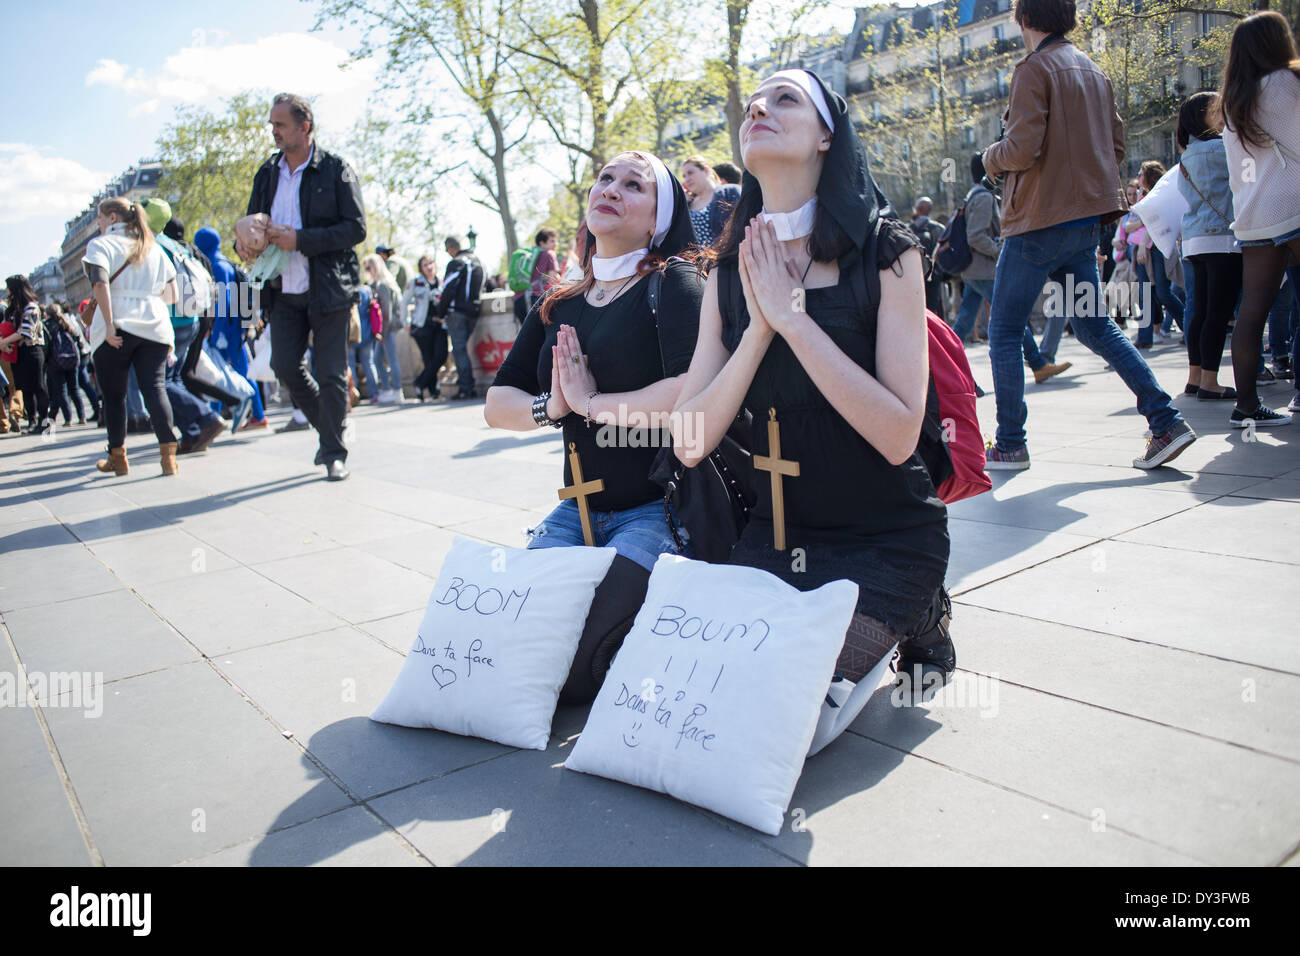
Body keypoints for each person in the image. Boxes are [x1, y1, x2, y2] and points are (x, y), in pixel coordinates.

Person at [672, 68, 954, 718]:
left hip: (885, 535)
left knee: (783, 697)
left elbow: (897, 432)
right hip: (773, 536)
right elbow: (688, 445)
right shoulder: (725, 274)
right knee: (706, 691)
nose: (760, 107)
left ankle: (923, 610)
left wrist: (794, 320)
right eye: (755, 101)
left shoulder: (888, 251)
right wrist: (758, 331)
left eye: (786, 98)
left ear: (828, 136)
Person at [486, 150, 703, 701]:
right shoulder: (560, 300)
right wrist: (553, 409)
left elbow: (693, 389)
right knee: (507, 647)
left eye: (634, 185)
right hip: (576, 511)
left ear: (659, 219)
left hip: (659, 509)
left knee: (577, 668)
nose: (611, 188)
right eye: (605, 178)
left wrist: (593, 403)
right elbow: (497, 403)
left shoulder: (673, 284)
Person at [980, 0, 1194, 470]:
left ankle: (1011, 443)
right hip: (1084, 224)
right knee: (1096, 325)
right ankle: (1165, 420)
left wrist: (988, 158)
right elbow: (1116, 147)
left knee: (1004, 329)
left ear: (1024, 19)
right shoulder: (1094, 71)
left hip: (1037, 221)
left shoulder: (1033, 70)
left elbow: (1020, 148)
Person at [238, 92, 366, 482]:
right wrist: (244, 240)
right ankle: (330, 433)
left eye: (280, 124)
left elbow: (357, 228)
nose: (273, 131)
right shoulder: (267, 173)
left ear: (304, 127)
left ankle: (333, 453)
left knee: (330, 372)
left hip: (329, 288)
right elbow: (249, 223)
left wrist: (301, 239)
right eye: (272, 124)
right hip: (282, 289)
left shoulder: (337, 169)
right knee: (283, 366)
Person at [1217, 10, 1300, 428]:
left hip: (1255, 217)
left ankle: (1246, 406)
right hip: (1296, 204)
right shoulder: (1287, 83)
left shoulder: (1232, 104)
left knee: (1252, 312)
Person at [952, 153, 1072, 384]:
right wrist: (1000, 251)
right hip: (984, 270)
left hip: (974, 271)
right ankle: (1038, 364)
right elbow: (975, 237)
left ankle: (937, 366)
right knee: (1011, 318)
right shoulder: (984, 198)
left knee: (963, 324)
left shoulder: (973, 195)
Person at [80, 197, 180, 475]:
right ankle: (168, 457)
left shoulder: (101, 245)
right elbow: (172, 295)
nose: (98, 224)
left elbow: (100, 283)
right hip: (155, 324)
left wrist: (110, 324)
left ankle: (119, 458)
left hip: (117, 324)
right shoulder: (153, 247)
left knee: (114, 396)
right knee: (155, 389)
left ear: (112, 218)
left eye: (99, 219)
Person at [1176, 92, 1248, 408]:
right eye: (1218, 110)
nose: (1224, 114)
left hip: (1193, 241)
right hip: (1222, 237)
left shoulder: (1186, 155)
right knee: (1219, 313)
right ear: (1204, 116)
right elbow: (1248, 180)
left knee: (1200, 310)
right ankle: (1210, 381)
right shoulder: (1223, 148)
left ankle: (1195, 377)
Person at [435, 234, 485, 399]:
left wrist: (441, 312)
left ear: (451, 248)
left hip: (457, 312)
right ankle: (466, 384)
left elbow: (448, 288)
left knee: (459, 349)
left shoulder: (457, 262)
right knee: (463, 348)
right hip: (475, 311)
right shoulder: (478, 261)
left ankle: (466, 387)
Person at [1, 276, 51, 433]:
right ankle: (32, 421)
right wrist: (5, 343)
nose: (7, 291)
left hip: (33, 350)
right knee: (24, 388)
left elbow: (26, 331)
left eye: (9, 288)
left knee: (38, 386)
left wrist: (4, 342)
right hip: (18, 351)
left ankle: (44, 423)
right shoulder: (14, 308)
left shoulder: (31, 307)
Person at [363, 252, 405, 403]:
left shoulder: (382, 285)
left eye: (368, 267)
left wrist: (381, 333)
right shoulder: (383, 283)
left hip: (387, 329)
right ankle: (388, 389)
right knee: (378, 359)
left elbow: (386, 313)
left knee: (390, 359)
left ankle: (397, 390)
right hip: (386, 328)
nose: (367, 271)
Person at [404, 255, 445, 401]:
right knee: (428, 359)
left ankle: (420, 383)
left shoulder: (441, 282)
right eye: (424, 265)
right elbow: (404, 302)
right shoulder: (416, 283)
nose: (428, 267)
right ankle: (433, 392)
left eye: (430, 263)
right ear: (421, 268)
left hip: (440, 324)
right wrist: (406, 322)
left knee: (441, 355)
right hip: (422, 325)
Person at [680, 155, 741, 248]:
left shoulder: (730, 192)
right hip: (698, 261)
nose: (686, 179)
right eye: (684, 176)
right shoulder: (688, 204)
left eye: (690, 173)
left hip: (729, 257)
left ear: (706, 170)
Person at [909, 196, 948, 320]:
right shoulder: (939, 228)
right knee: (935, 304)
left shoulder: (908, 229)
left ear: (917, 209)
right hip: (934, 271)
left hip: (914, 272)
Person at [512, 228, 561, 325]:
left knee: (527, 336)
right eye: (552, 241)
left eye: (556, 241)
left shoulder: (531, 255)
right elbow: (553, 279)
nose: (556, 244)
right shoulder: (549, 254)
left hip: (519, 299)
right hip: (536, 300)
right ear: (542, 243)